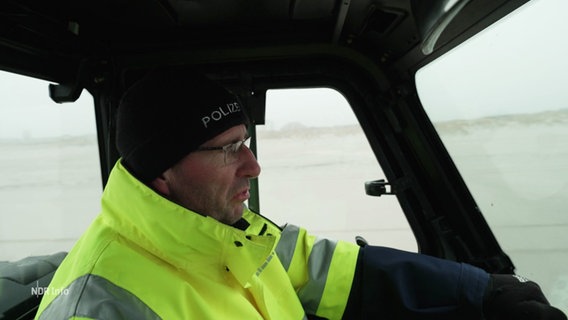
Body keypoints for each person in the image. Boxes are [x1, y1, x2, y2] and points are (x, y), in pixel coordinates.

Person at [35, 69, 566, 320]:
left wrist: (484, 294)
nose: (253, 165)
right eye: (227, 150)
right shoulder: (101, 307)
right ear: (162, 171)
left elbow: (342, 272)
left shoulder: (231, 236)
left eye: (245, 142)